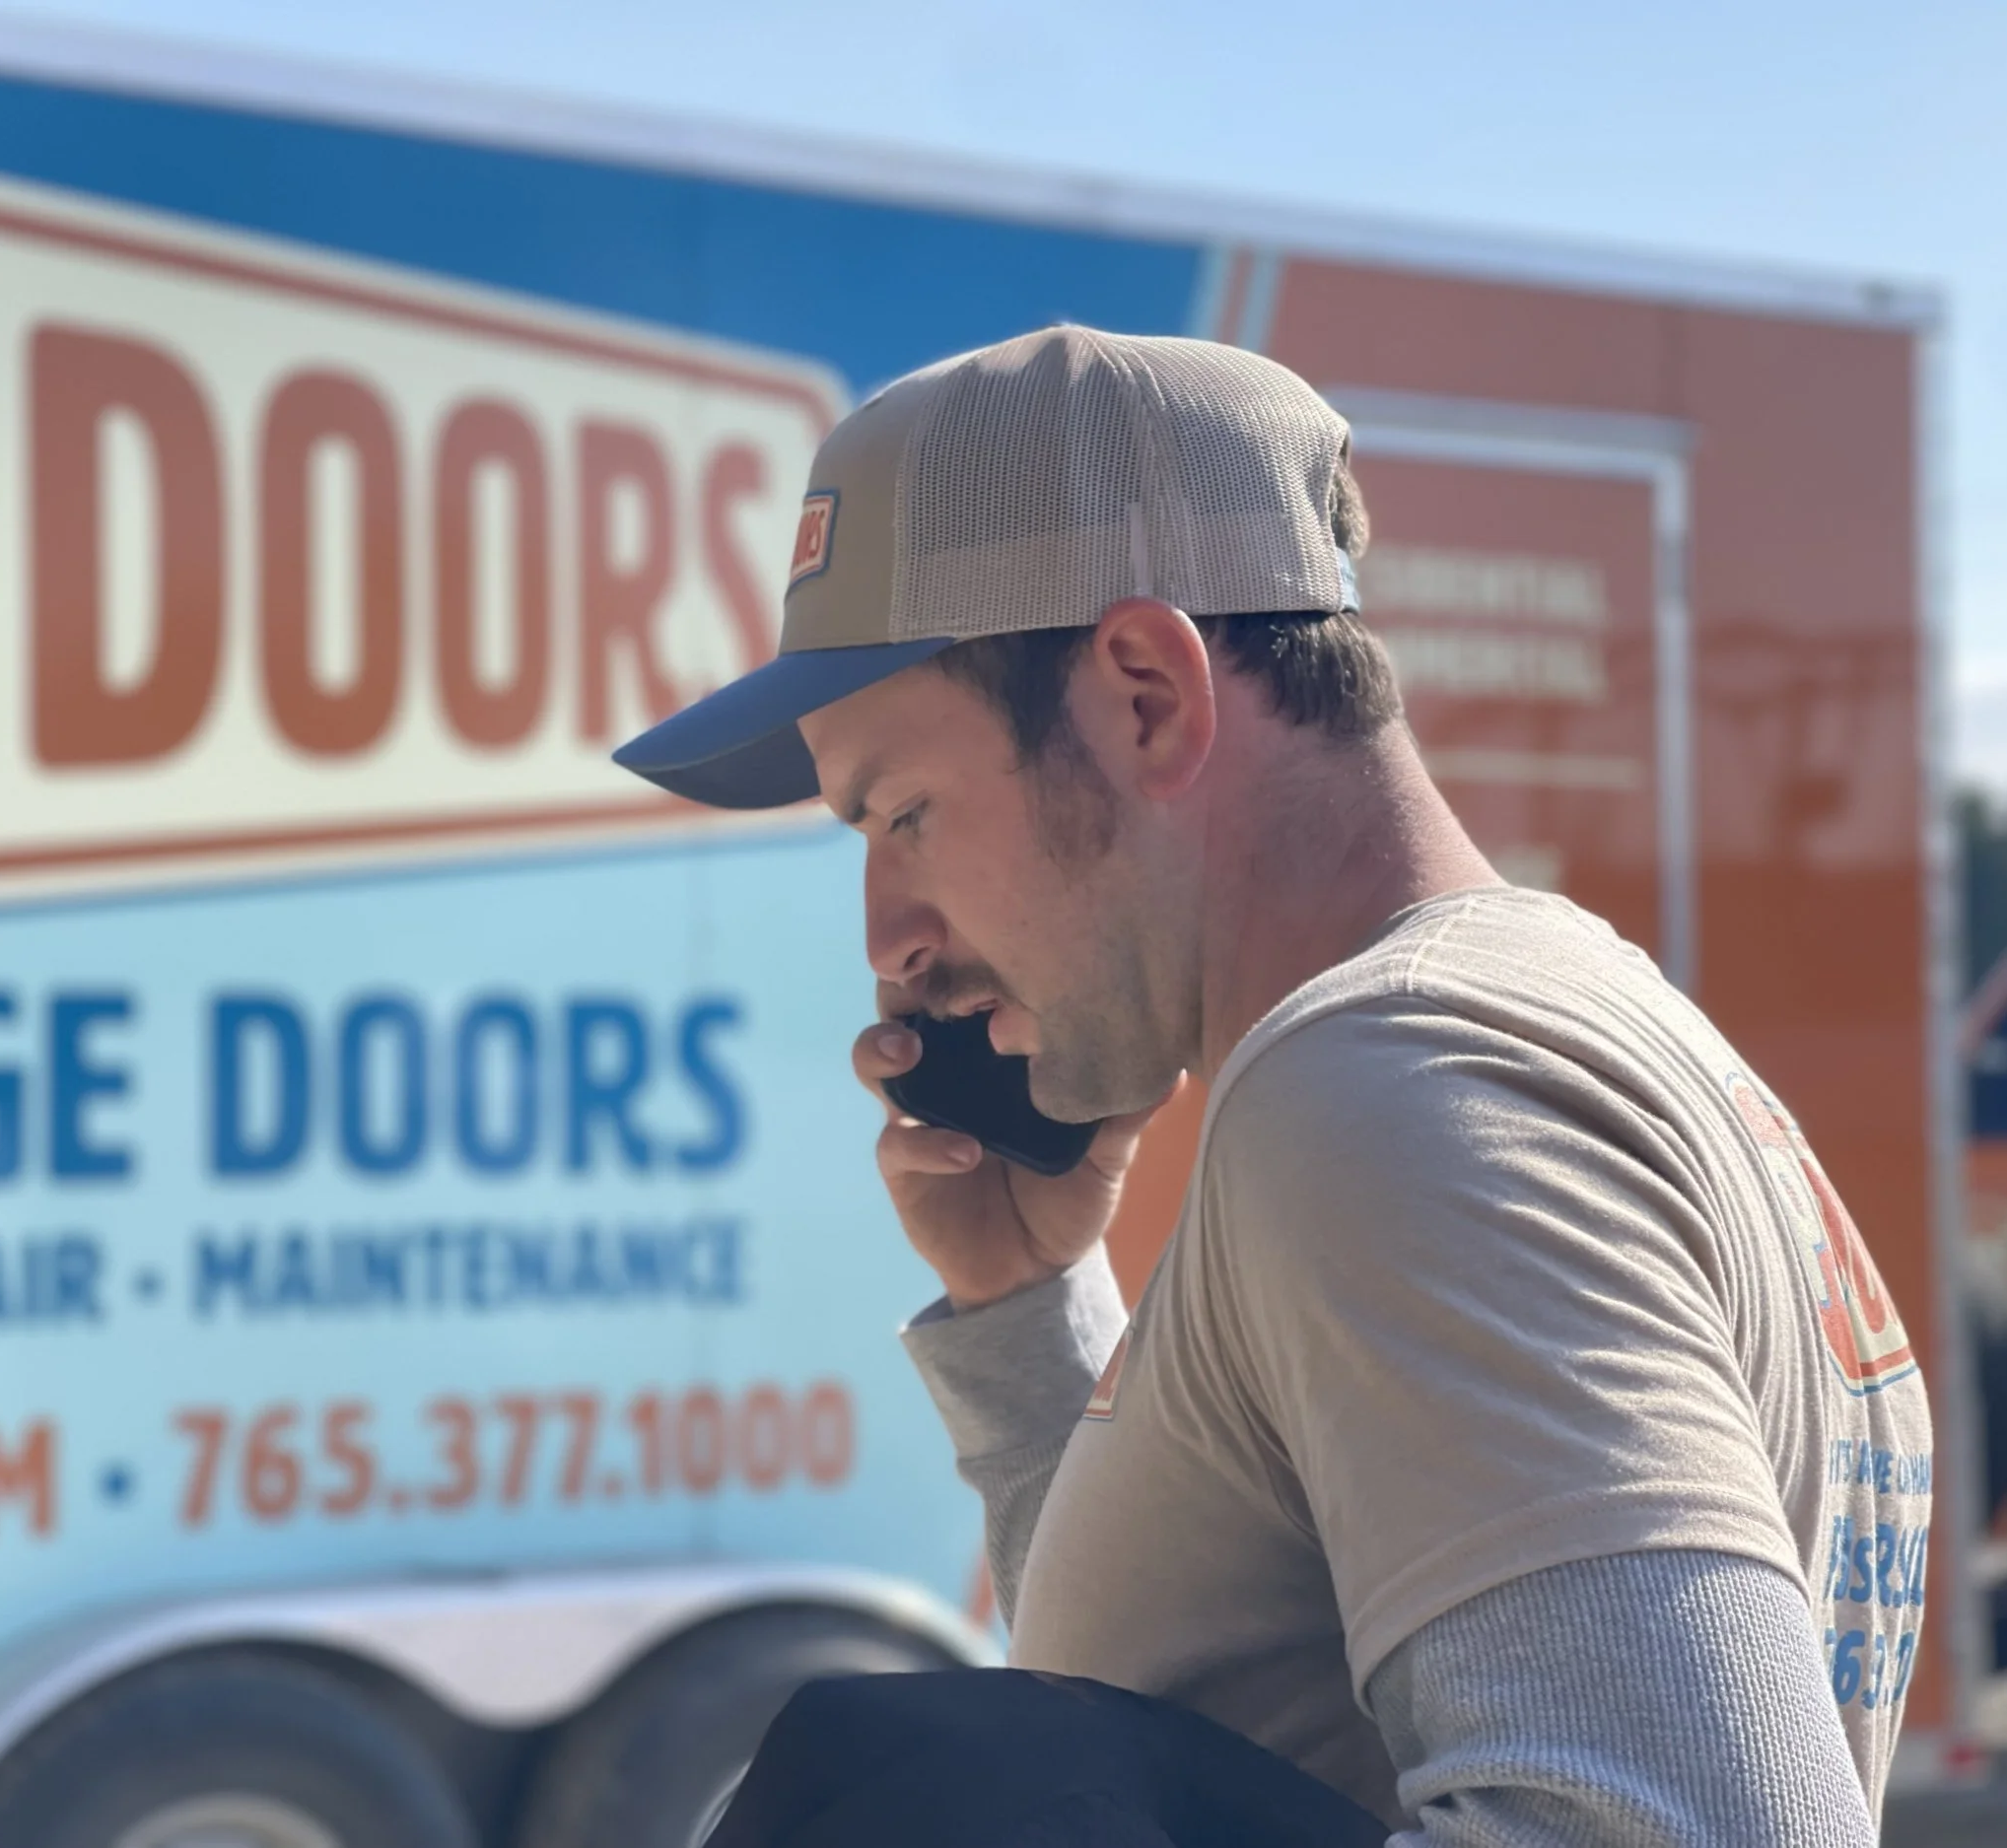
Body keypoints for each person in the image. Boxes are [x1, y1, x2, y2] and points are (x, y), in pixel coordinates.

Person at [617, 326, 1932, 1844]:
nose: (886, 940)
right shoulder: (1579, 1027)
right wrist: (1032, 1307)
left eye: (903, 811)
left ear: (1146, 696)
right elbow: (1196, 1739)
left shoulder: (1401, 1089)